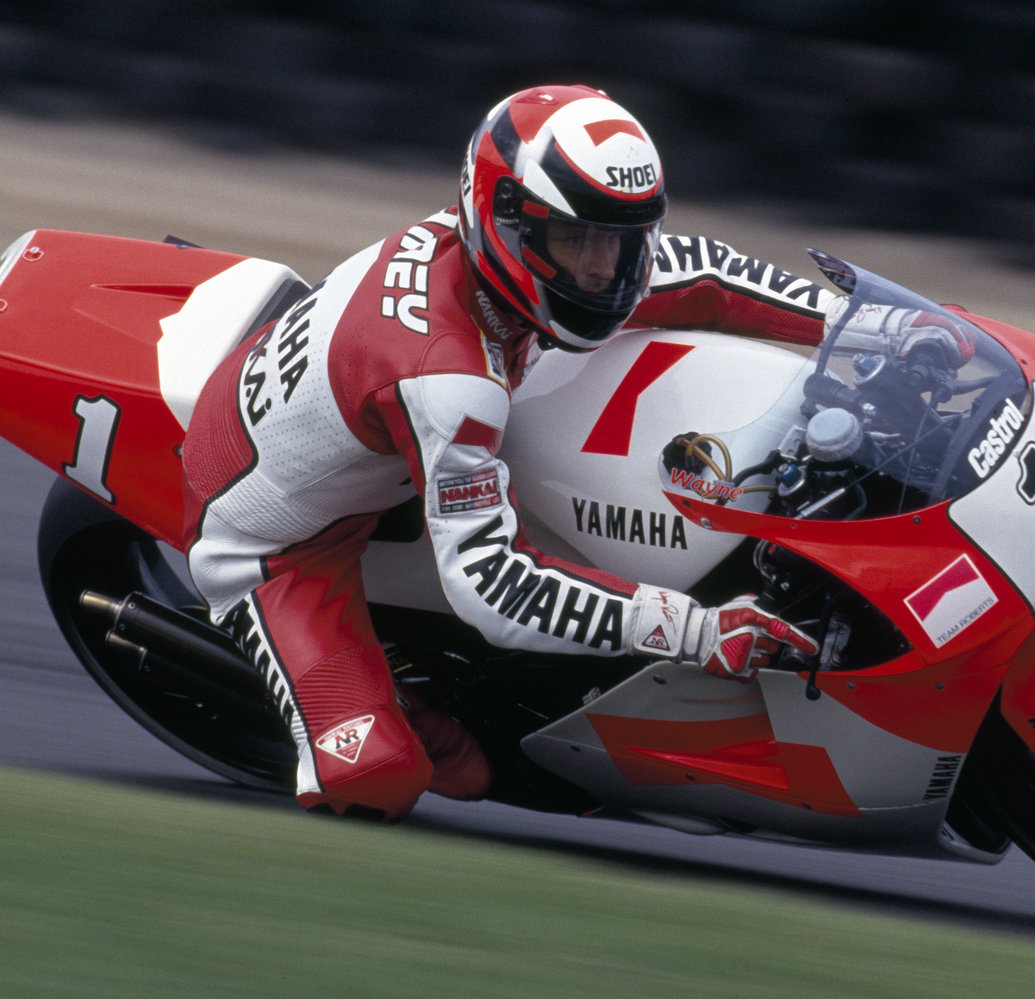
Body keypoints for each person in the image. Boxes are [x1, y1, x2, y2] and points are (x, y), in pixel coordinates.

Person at [180, 84, 837, 822]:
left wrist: (867, 325)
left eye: (622, 241)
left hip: (368, 434)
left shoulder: (508, 264)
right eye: (576, 242)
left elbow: (708, 275)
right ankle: (344, 696)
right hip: (276, 542)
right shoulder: (449, 377)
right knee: (394, 776)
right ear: (504, 221)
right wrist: (695, 629)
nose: (602, 271)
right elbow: (491, 585)